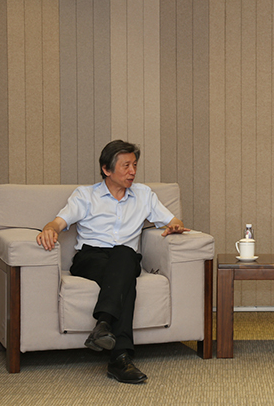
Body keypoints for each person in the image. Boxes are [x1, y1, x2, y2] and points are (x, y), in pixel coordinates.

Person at [36, 140, 189, 384]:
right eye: (126, 166)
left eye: (135, 165)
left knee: (125, 256)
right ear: (107, 169)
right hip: (90, 257)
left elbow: (174, 221)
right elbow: (58, 222)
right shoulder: (86, 195)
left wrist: (176, 227)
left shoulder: (144, 195)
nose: (132, 171)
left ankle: (105, 329)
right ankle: (119, 355)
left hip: (125, 258)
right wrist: (49, 229)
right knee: (126, 275)